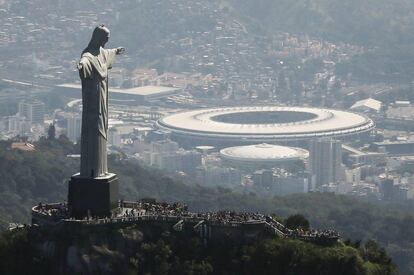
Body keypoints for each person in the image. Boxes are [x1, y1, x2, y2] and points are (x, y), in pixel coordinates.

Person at [77, 25, 125, 178]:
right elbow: (84, 61)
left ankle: (101, 169)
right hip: (93, 100)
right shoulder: (89, 55)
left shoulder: (103, 53)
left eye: (108, 38)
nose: (107, 40)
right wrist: (82, 65)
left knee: (102, 126)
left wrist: (116, 51)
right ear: (98, 37)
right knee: (94, 128)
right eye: (105, 37)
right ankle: (92, 170)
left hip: (102, 97)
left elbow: (108, 53)